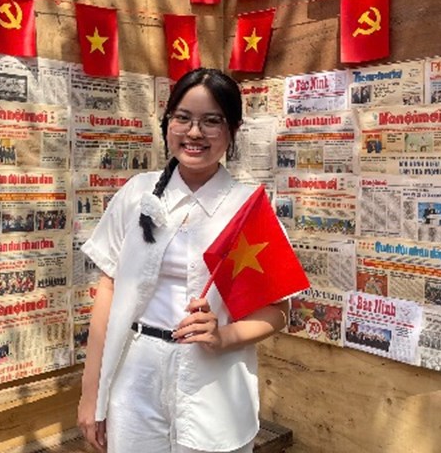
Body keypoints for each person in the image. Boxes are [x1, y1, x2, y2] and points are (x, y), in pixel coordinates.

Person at [78, 68, 290, 453]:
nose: (195, 133)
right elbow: (108, 290)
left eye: (212, 121)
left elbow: (277, 310)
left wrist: (223, 335)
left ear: (233, 130)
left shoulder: (249, 208)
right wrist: (91, 393)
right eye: (183, 118)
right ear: (168, 122)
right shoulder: (137, 193)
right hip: (135, 374)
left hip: (215, 379)